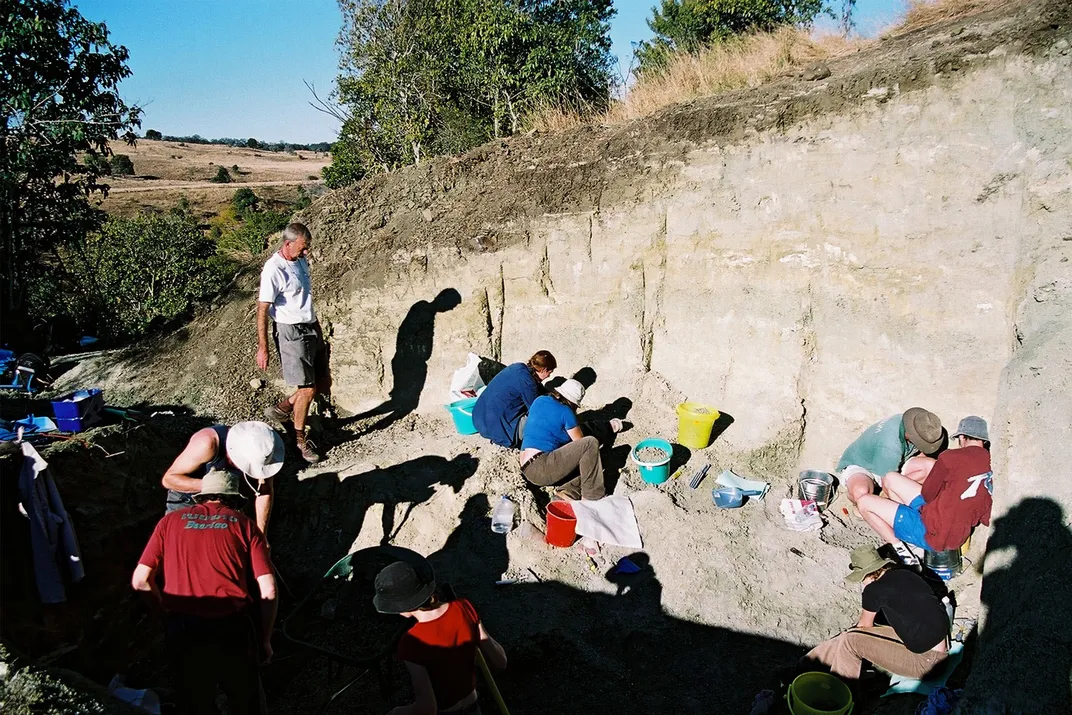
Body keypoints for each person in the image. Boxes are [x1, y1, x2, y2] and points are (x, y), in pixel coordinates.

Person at [133, 470, 277, 715]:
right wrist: (264, 639)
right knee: (246, 701)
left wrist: (164, 614)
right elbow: (269, 590)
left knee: (195, 702)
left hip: (184, 630)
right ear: (233, 499)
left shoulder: (169, 522)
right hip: (232, 629)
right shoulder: (244, 525)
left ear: (200, 496)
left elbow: (140, 581)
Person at [374, 561, 507, 715]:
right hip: (473, 704)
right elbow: (500, 661)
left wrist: (397, 712)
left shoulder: (411, 644)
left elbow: (428, 709)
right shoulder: (463, 607)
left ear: (402, 608)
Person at [801, 545, 949, 681]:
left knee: (850, 641)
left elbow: (864, 626)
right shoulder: (905, 573)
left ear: (867, 574)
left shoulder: (874, 590)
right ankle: (807, 665)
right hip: (940, 649)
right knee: (850, 635)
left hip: (927, 663)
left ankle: (841, 690)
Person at [856, 416, 993, 554]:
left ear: (962, 437)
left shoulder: (949, 457)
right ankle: (903, 520)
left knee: (863, 502)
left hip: (931, 533)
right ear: (984, 440)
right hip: (951, 528)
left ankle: (902, 550)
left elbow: (927, 494)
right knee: (891, 478)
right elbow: (986, 518)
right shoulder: (991, 463)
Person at [257, 222, 330, 463]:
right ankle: (300, 441)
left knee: (321, 382)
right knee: (307, 389)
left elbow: (304, 298)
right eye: (303, 247)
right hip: (291, 333)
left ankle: (283, 408)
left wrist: (316, 326)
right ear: (288, 244)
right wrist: (263, 347)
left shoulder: (299, 261)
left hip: (310, 327)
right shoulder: (273, 270)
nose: (306, 252)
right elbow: (263, 309)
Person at [161, 421, 284, 537]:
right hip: (187, 499)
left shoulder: (265, 450)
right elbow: (169, 479)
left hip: (227, 498)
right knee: (179, 545)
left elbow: (264, 490)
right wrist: (214, 485)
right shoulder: (207, 443)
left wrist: (261, 535)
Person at [518, 379, 622, 501]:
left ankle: (567, 493)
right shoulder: (566, 412)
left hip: (526, 467)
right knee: (590, 445)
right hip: (543, 466)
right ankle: (593, 496)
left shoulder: (540, 400)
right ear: (573, 403)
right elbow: (582, 444)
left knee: (588, 466)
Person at [838, 407, 946, 507]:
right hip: (863, 465)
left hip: (894, 462)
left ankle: (880, 497)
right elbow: (887, 484)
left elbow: (922, 456)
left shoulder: (909, 422)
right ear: (910, 435)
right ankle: (861, 502)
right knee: (861, 492)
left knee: (932, 466)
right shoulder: (890, 446)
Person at [472, 350, 557, 448]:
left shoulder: (517, 367)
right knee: (546, 419)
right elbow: (537, 410)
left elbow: (537, 387)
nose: (549, 376)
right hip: (500, 432)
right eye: (549, 372)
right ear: (543, 370)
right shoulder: (529, 383)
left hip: (478, 420)